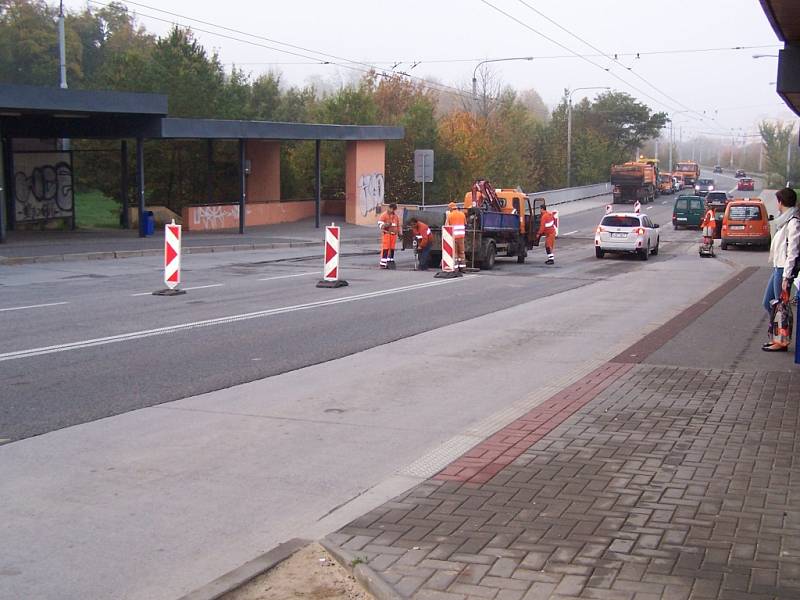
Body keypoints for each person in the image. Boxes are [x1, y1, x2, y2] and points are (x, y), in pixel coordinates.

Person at [763, 188, 799, 352]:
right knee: (769, 302)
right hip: (777, 267)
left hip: (784, 269)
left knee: (781, 308)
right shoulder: (784, 220)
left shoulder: (793, 222)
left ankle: (782, 341)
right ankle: (778, 337)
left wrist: (786, 276)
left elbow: (793, 251)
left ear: (781, 202)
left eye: (777, 200)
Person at [378, 203, 401, 269]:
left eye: (394, 210)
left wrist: (399, 233)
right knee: (385, 248)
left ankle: (390, 261)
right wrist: (386, 225)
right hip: (387, 234)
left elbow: (398, 225)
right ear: (389, 208)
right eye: (392, 209)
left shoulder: (395, 216)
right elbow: (380, 225)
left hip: (394, 235)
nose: (393, 211)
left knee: (392, 249)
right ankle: (383, 263)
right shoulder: (384, 215)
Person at [445, 202, 467, 269]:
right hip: (461, 236)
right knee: (462, 252)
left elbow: (447, 226)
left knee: (455, 253)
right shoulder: (462, 214)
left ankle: (455, 267)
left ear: (451, 208)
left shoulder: (450, 215)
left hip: (454, 236)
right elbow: (465, 223)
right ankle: (462, 267)